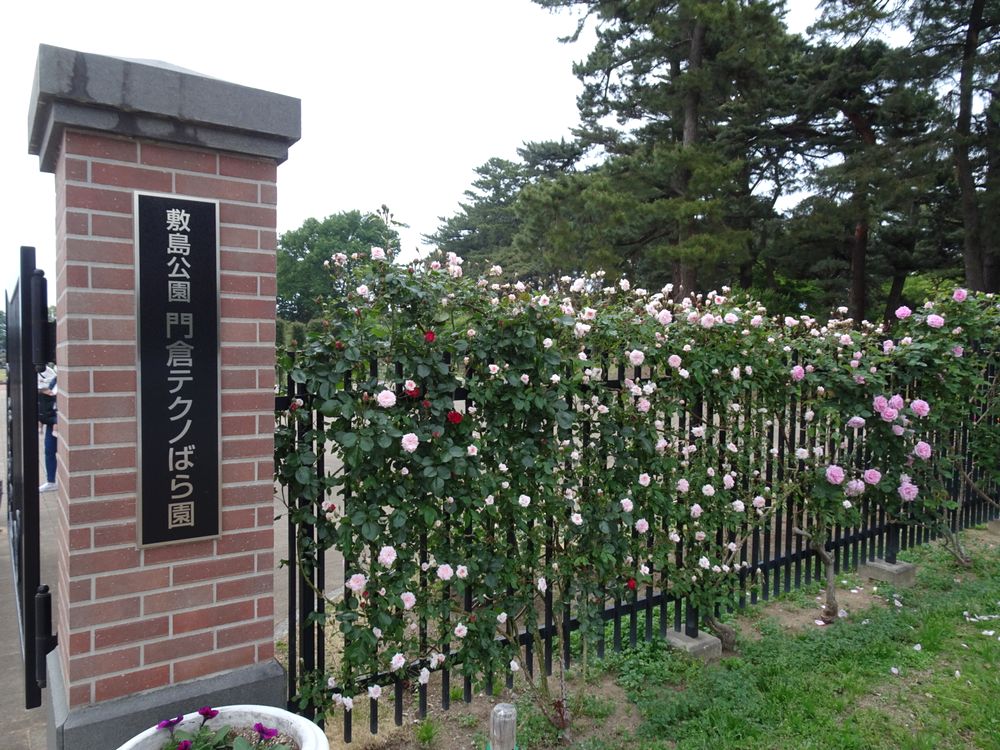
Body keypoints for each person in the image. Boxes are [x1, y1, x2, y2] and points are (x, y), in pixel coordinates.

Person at [37, 365, 57, 492]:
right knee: (49, 450)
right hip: (52, 422)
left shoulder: (51, 375)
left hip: (59, 422)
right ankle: (51, 481)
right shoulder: (55, 379)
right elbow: (49, 402)